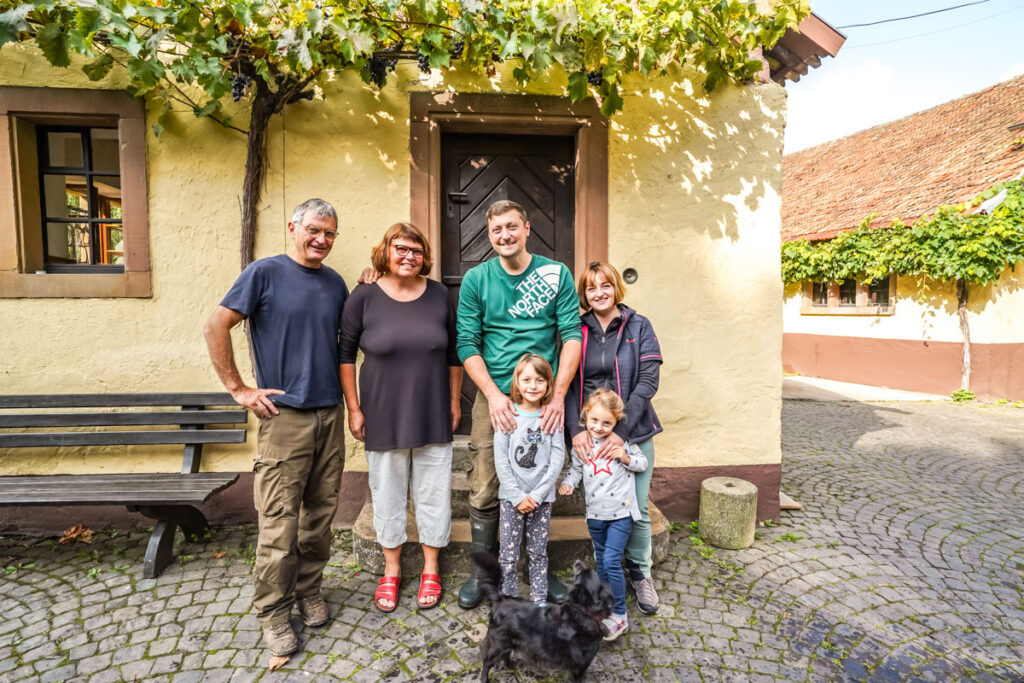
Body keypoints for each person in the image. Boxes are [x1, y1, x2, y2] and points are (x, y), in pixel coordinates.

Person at [203, 198, 348, 657]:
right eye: (314, 230)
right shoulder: (263, 273)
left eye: (329, 234)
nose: (321, 240)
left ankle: (308, 591)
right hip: (284, 419)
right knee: (279, 524)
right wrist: (239, 389)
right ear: (293, 227)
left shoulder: (335, 284)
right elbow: (215, 326)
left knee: (319, 519)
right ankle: (273, 613)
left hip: (330, 414)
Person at [455, 199, 582, 608]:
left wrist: (558, 396)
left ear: (527, 228)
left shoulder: (554, 273)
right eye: (496, 230)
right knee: (486, 484)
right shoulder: (477, 279)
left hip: (542, 398)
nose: (504, 236)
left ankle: (536, 568)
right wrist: (492, 395)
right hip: (495, 398)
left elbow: (572, 336)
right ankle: (485, 570)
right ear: (489, 235)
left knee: (540, 481)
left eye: (512, 227)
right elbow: (466, 343)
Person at [339, 222, 463, 612]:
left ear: (425, 256)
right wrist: (354, 408)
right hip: (381, 412)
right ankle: (391, 571)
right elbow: (345, 354)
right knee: (388, 495)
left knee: (433, 495)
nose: (409, 256)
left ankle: (431, 569)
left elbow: (454, 354)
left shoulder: (440, 295)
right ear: (386, 252)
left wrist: (455, 402)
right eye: (401, 248)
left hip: (431, 411)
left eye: (416, 250)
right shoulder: (364, 295)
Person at [564, 261, 664, 615]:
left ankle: (640, 573)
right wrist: (576, 429)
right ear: (585, 294)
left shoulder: (639, 326)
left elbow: (647, 383)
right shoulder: (577, 329)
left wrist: (620, 435)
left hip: (633, 434)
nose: (599, 293)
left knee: (635, 510)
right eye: (591, 288)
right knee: (600, 509)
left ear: (616, 287)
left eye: (605, 285)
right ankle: (607, 575)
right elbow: (569, 382)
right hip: (590, 436)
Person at [558, 388, 647, 641]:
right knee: (602, 561)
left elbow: (642, 464)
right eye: (594, 420)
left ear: (616, 422)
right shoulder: (582, 445)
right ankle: (604, 605)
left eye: (607, 422)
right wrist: (568, 483)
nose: (599, 427)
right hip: (595, 515)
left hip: (621, 514)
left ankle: (620, 615)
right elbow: (576, 470)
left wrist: (626, 457)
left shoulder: (622, 442)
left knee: (610, 561)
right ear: (585, 416)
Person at [493, 354, 565, 603]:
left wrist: (536, 495)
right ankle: (509, 604)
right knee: (508, 555)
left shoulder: (552, 417)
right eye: (527, 380)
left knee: (537, 552)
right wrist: (516, 495)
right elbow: (501, 460)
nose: (533, 386)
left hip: (541, 500)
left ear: (548, 384)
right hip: (511, 500)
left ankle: (538, 602)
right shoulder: (508, 416)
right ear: (517, 382)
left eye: (539, 380)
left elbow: (557, 459)